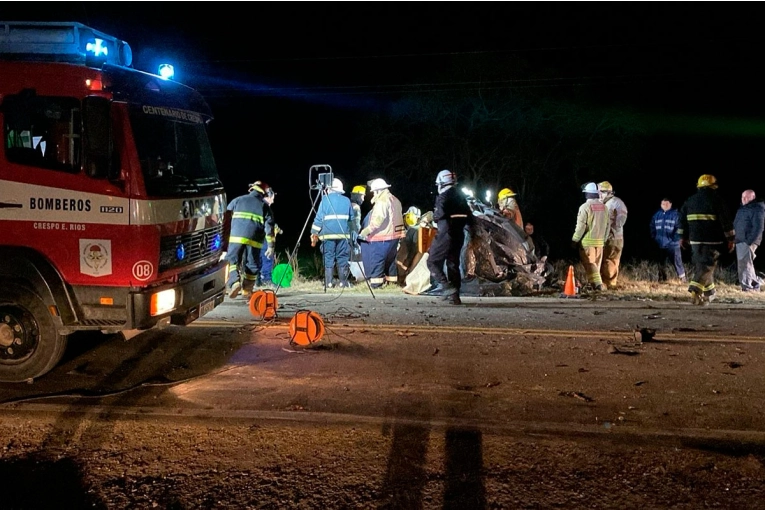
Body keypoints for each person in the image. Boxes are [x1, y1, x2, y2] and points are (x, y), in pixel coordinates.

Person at [678, 174, 735, 305]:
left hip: (695, 241)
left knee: (702, 266)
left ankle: (710, 293)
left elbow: (682, 221)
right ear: (713, 186)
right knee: (707, 267)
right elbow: (726, 222)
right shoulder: (717, 200)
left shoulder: (690, 200)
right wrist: (731, 239)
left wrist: (682, 238)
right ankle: (695, 290)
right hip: (713, 240)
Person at [425, 169, 472, 305]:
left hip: (445, 234)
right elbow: (469, 217)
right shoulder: (461, 197)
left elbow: (438, 215)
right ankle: (455, 296)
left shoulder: (444, 196)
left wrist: (431, 217)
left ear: (441, 183)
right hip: (459, 235)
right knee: (453, 264)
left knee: (432, 262)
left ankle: (446, 287)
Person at [226, 181, 274, 298]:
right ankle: (247, 290)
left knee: (232, 260)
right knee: (252, 264)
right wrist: (271, 246)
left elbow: (225, 217)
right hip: (255, 239)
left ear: (252, 189)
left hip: (236, 237)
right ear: (263, 193)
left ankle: (234, 283)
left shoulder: (238, 200)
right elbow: (270, 227)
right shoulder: (264, 206)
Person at [358, 178, 406, 288]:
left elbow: (377, 221)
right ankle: (392, 282)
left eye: (374, 191)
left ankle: (376, 283)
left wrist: (365, 232)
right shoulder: (395, 200)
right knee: (390, 261)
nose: (373, 194)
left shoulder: (382, 201)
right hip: (395, 236)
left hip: (382, 237)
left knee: (377, 260)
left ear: (379, 190)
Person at [310, 178, 356, 288]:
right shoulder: (346, 201)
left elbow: (319, 219)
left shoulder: (325, 200)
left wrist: (314, 232)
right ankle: (343, 283)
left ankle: (328, 283)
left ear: (329, 188)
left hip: (327, 236)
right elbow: (351, 220)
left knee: (328, 257)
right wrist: (354, 233)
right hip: (343, 235)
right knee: (342, 258)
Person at [571, 182, 608, 291]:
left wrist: (575, 240)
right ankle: (595, 285)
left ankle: (598, 285)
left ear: (587, 194)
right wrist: (604, 240)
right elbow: (607, 226)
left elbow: (581, 226)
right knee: (596, 266)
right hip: (600, 243)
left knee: (590, 265)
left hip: (587, 243)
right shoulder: (604, 207)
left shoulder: (585, 207)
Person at [598, 181, 628, 289]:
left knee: (610, 261)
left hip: (614, 238)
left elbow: (622, 218)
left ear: (608, 192)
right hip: (606, 238)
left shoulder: (616, 202)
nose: (599, 195)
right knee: (605, 260)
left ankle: (610, 284)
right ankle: (606, 283)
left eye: (601, 192)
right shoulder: (605, 203)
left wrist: (613, 228)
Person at [733, 189, 765, 292]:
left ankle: (748, 287)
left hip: (747, 241)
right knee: (746, 263)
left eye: (746, 197)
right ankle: (754, 284)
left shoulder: (756, 209)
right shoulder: (743, 208)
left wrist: (749, 241)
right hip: (740, 240)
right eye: (742, 197)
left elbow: (759, 227)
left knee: (744, 263)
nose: (743, 199)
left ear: (752, 197)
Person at [650, 198, 686, 282]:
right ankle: (662, 279)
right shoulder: (657, 215)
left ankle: (682, 279)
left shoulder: (676, 215)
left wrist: (675, 238)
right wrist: (654, 237)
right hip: (660, 244)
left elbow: (680, 227)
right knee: (660, 262)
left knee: (677, 262)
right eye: (663, 204)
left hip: (673, 244)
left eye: (666, 204)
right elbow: (652, 226)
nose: (664, 206)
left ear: (670, 204)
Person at [258, 184, 281, 289]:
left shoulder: (257, 205)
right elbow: (268, 226)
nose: (273, 201)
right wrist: (270, 245)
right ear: (268, 197)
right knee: (268, 257)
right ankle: (266, 279)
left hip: (256, 237)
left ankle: (257, 280)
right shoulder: (266, 207)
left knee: (256, 259)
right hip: (264, 239)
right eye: (272, 198)